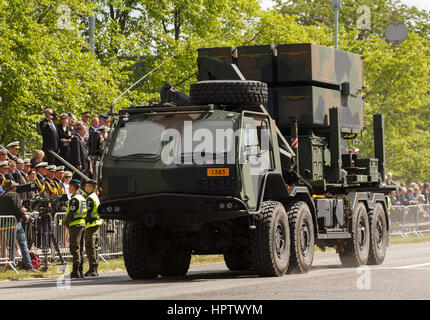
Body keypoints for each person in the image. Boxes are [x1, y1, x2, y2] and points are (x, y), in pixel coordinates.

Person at [0, 180, 36, 272]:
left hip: (5, 223)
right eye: (15, 187)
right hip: (15, 222)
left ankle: (13, 265)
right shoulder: (14, 195)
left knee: (11, 245)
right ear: (11, 187)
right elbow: (17, 209)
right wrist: (25, 216)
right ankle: (29, 266)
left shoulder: (2, 196)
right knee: (23, 244)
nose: (16, 188)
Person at [65, 179, 87, 278]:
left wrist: (66, 223)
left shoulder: (74, 199)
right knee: (81, 248)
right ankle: (81, 270)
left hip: (76, 225)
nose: (69, 188)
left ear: (74, 187)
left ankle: (75, 271)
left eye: (70, 186)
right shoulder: (82, 197)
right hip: (82, 223)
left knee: (74, 248)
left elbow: (71, 214)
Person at [84, 180, 102, 277]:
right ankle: (94, 268)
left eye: (86, 185)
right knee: (94, 247)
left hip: (91, 225)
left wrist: (84, 221)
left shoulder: (90, 198)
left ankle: (92, 268)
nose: (85, 187)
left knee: (90, 247)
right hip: (95, 224)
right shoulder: (94, 196)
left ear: (91, 186)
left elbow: (87, 213)